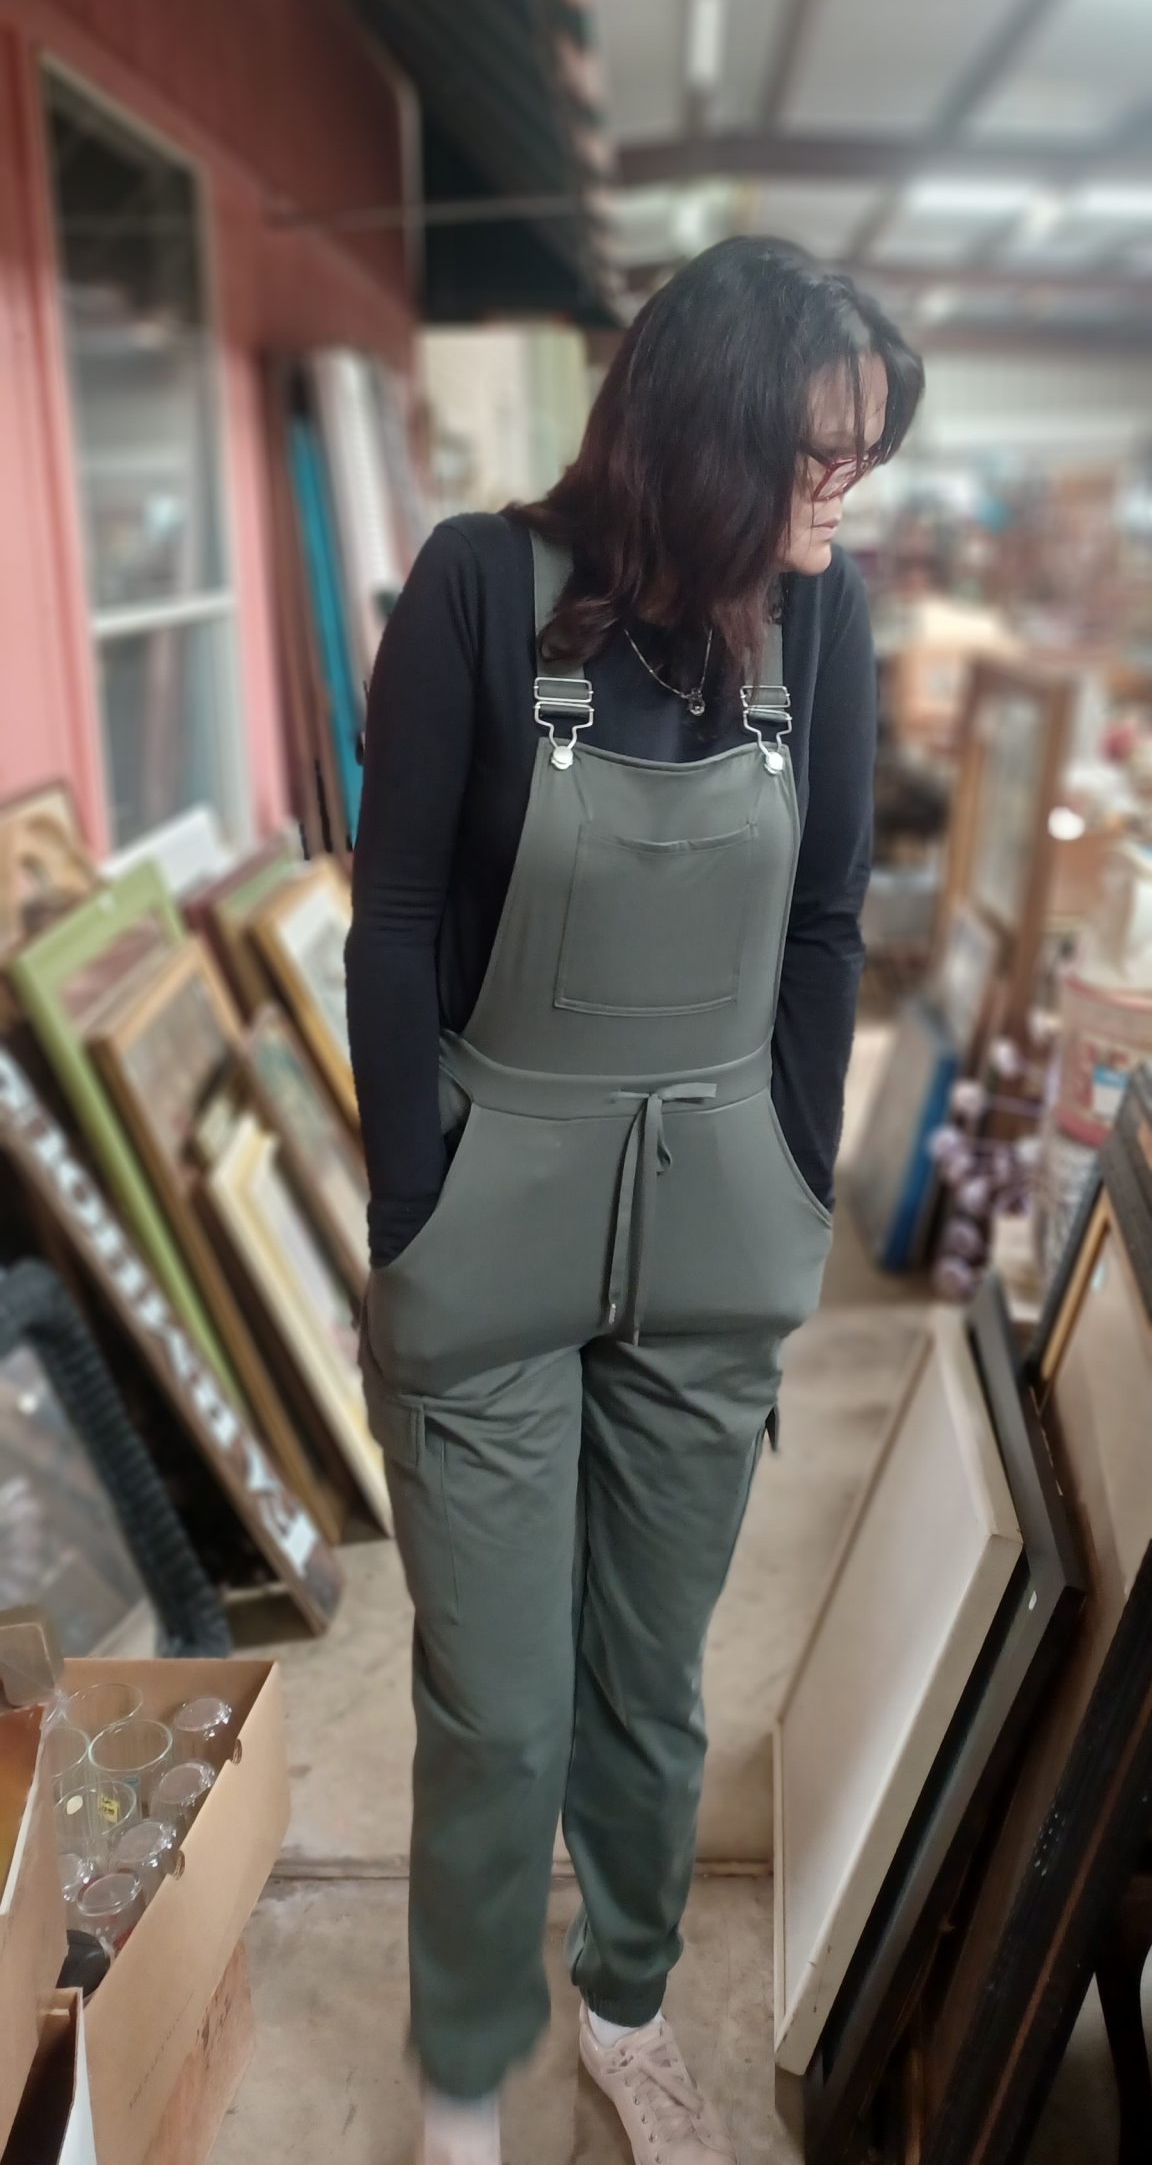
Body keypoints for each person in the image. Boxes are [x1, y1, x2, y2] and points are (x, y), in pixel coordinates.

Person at [347, 237, 925, 2165]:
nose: (838, 504)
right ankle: (458, 2066)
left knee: (650, 1692)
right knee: (495, 1709)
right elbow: (400, 918)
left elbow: (831, 915)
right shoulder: (474, 591)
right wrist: (416, 1204)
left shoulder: (823, 625)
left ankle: (625, 2005)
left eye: (861, 466)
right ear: (699, 436)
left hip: (717, 1229)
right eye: (814, 460)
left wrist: (788, 1175)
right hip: (491, 1209)